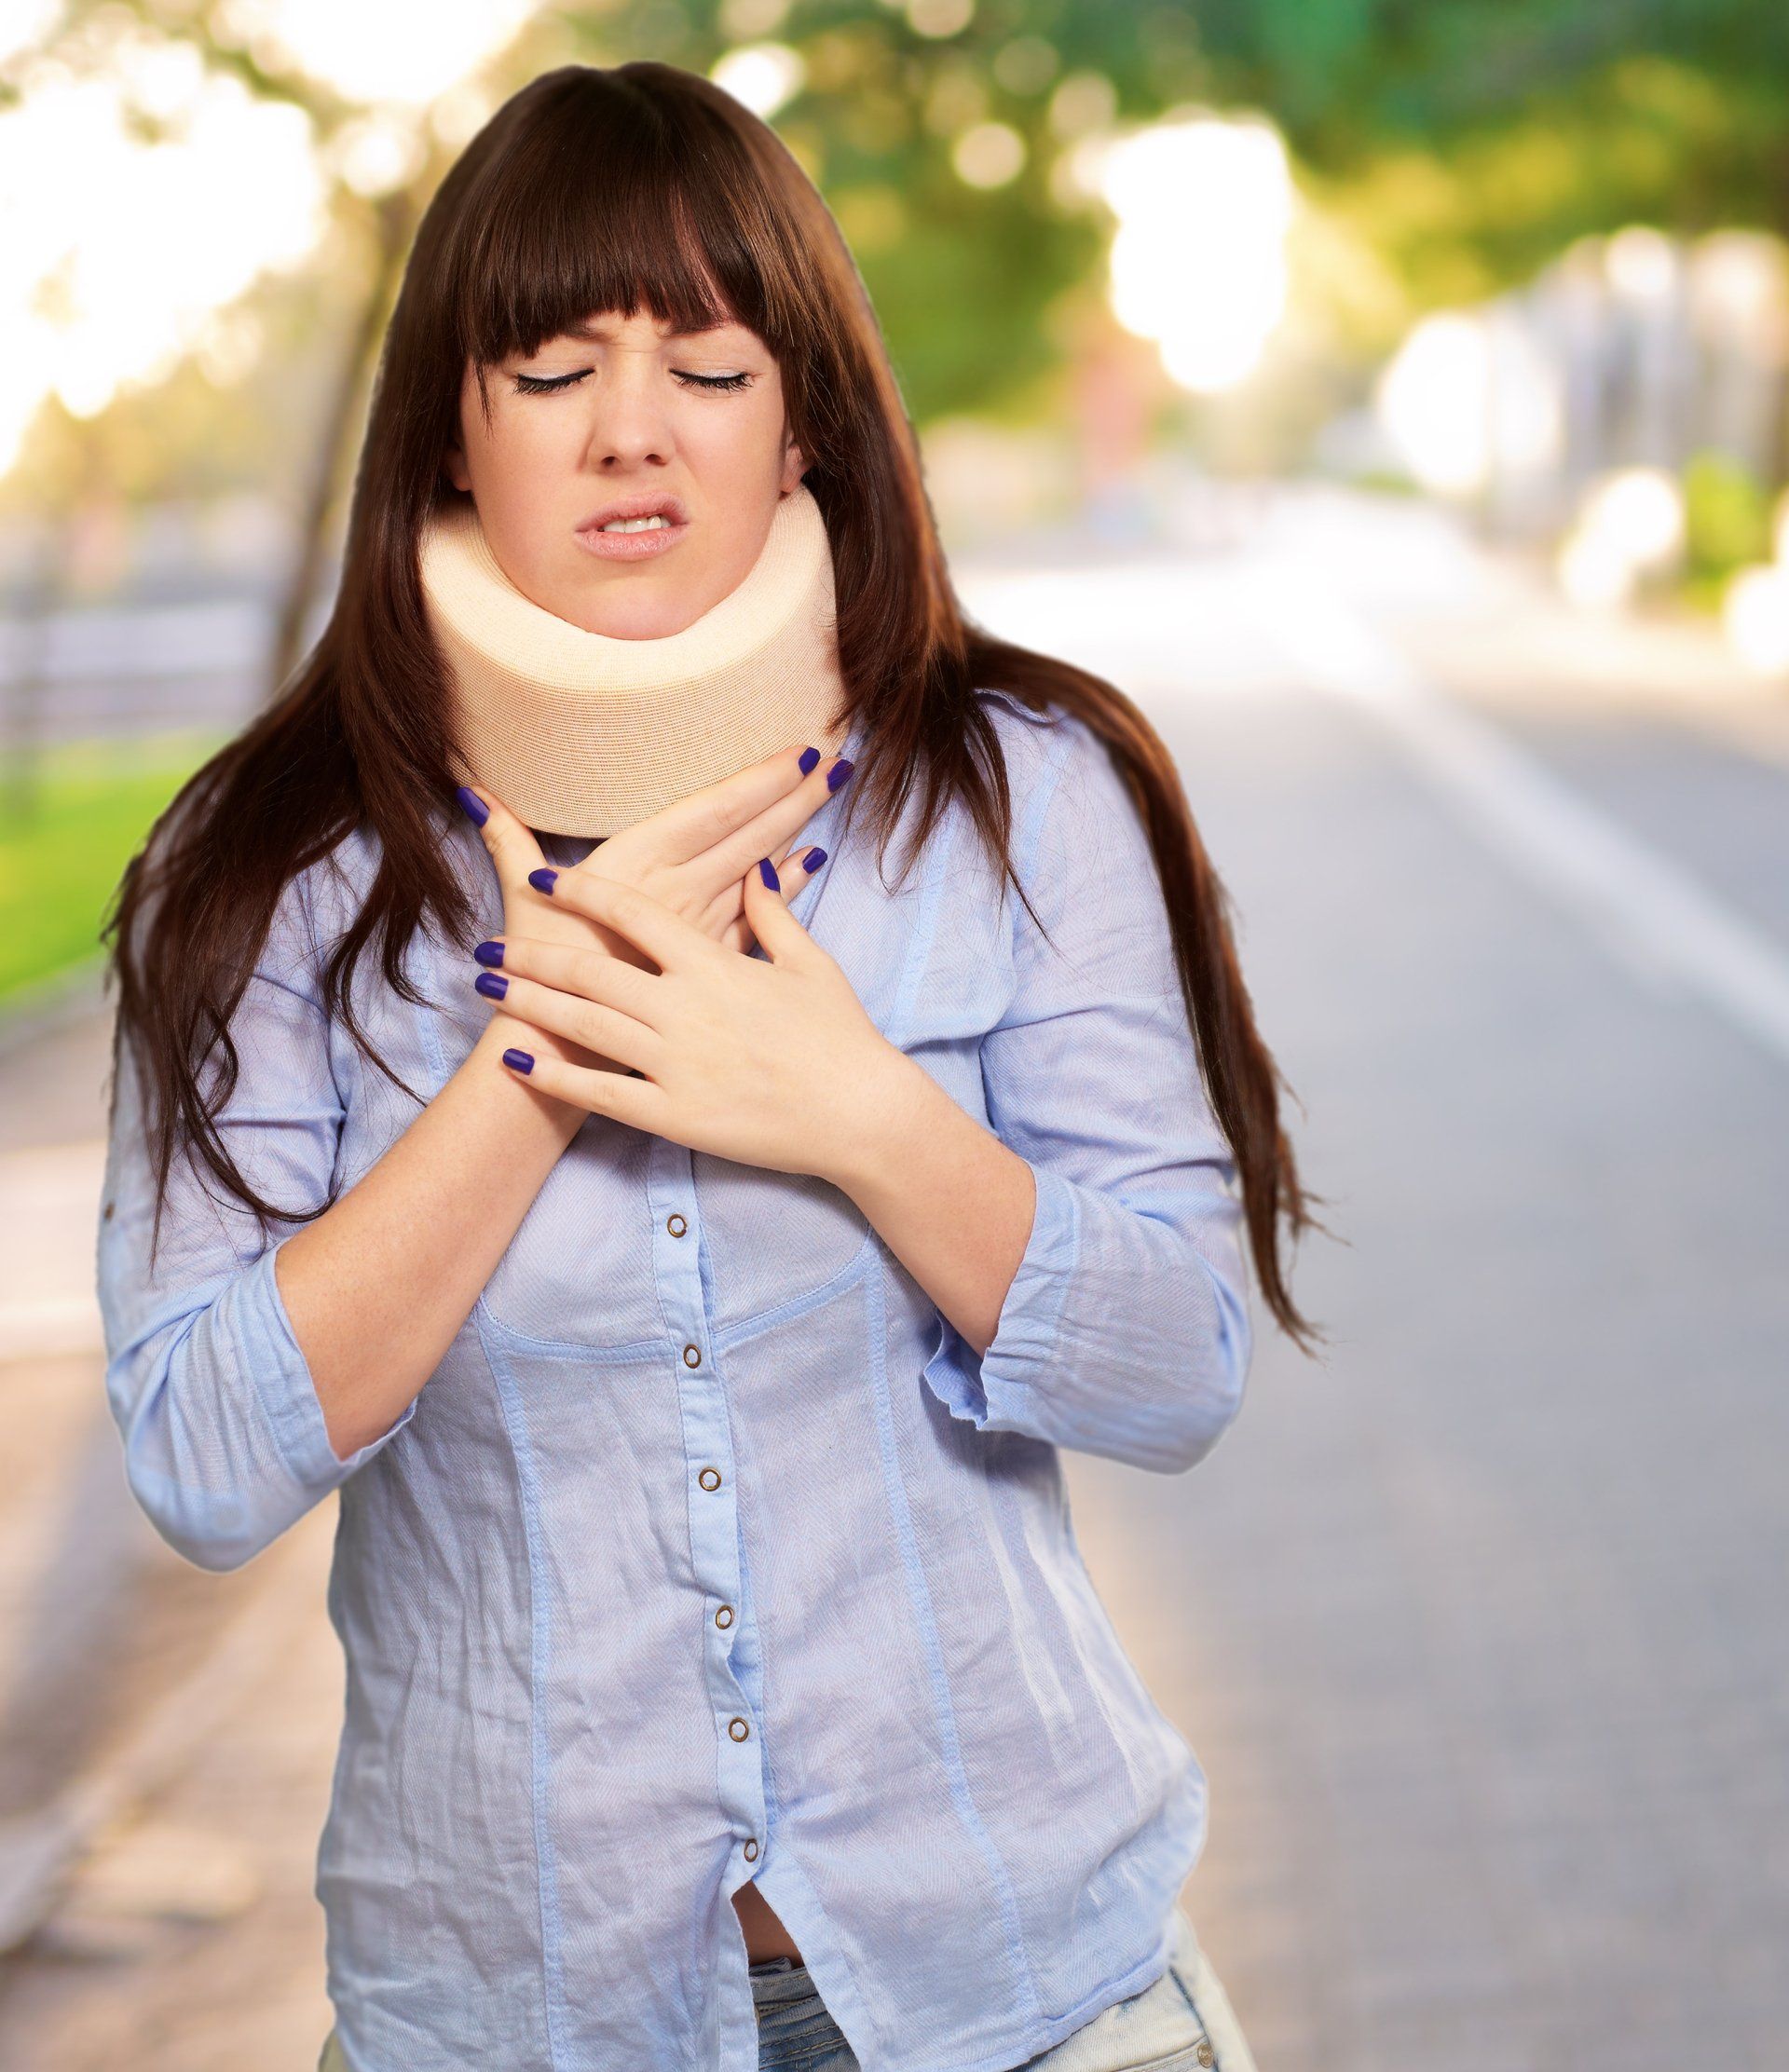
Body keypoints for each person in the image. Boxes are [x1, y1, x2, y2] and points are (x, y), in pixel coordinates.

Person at [96, 60, 1323, 2072]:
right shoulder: (262, 881)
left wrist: (855, 1108)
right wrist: (544, 1041)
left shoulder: (1022, 796)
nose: (635, 433)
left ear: (808, 417)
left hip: (1021, 1981)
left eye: (712, 363)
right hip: (509, 2013)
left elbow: (1176, 1361)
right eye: (555, 364)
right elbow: (204, 1460)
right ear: (452, 431)